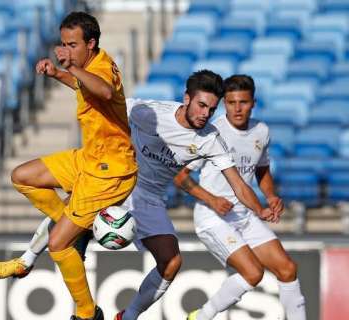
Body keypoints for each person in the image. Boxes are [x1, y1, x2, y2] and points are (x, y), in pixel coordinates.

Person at [0, 11, 137, 320]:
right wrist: (58, 74)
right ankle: (74, 229)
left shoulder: (103, 67)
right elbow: (85, 87)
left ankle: (86, 313)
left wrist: (69, 67)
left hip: (110, 172)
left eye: (72, 45)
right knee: (23, 177)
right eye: (62, 44)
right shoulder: (86, 68)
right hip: (89, 158)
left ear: (91, 44)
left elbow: (104, 91)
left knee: (57, 245)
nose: (65, 50)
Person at [114, 70, 277, 320]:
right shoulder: (148, 112)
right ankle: (37, 261)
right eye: (201, 105)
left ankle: (128, 316)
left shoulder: (210, 138)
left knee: (172, 263)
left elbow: (239, 185)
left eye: (211, 110)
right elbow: (104, 104)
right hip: (117, 181)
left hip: (150, 198)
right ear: (186, 98)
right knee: (70, 225)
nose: (205, 114)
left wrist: (261, 209)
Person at [176, 75, 306, 320]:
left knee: (287, 269)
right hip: (213, 217)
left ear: (253, 103)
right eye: (231, 102)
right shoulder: (210, 134)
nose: (237, 108)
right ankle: (201, 316)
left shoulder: (261, 131)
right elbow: (180, 177)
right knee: (253, 273)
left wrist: (270, 195)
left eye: (243, 102)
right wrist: (212, 199)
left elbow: (261, 169)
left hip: (243, 215)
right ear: (224, 102)